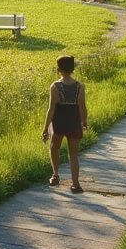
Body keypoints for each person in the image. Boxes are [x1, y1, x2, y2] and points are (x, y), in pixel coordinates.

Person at [41, 55, 88, 193]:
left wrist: (45, 128)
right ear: (72, 69)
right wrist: (84, 121)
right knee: (73, 154)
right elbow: (82, 107)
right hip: (74, 119)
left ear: (58, 69)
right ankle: (76, 184)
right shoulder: (80, 86)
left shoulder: (55, 86)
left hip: (58, 120)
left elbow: (51, 109)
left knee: (54, 147)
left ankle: (55, 175)